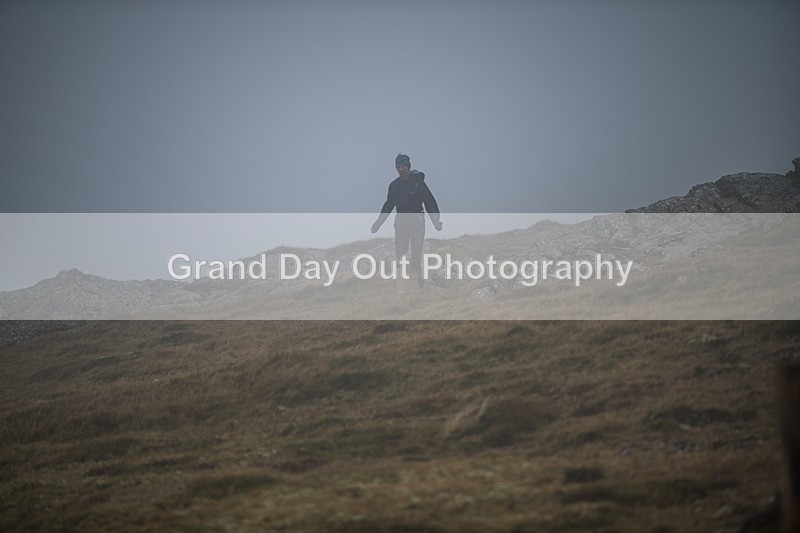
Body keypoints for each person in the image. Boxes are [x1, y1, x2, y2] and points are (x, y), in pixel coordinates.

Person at [371, 153, 442, 288]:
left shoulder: (418, 183)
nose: (400, 169)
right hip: (401, 225)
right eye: (398, 167)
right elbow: (388, 205)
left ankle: (421, 281)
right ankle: (401, 288)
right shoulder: (394, 186)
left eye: (403, 166)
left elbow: (429, 202)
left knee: (416, 256)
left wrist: (436, 222)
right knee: (400, 256)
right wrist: (377, 225)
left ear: (408, 167)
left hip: (417, 224)